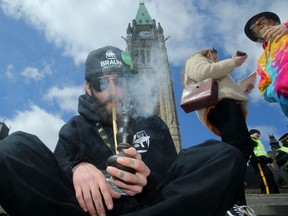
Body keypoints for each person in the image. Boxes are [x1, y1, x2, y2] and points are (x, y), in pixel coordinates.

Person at [0, 45, 247, 216]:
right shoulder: (73, 127)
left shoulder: (152, 123)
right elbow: (57, 167)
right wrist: (78, 167)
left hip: (151, 207)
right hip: (84, 210)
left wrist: (147, 178)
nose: (113, 91)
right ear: (88, 87)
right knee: (14, 147)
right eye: (101, 83)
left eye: (119, 80)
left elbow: (172, 178)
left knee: (223, 154)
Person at [183, 48, 257, 216]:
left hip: (224, 104)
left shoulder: (213, 69)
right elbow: (203, 73)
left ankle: (236, 204)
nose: (216, 59)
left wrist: (241, 89)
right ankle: (228, 199)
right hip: (221, 106)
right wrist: (233, 62)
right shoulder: (195, 58)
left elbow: (222, 88)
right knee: (242, 147)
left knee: (234, 151)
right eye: (214, 56)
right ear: (208, 53)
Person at [244, 11, 288, 117]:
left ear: (271, 21)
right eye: (253, 25)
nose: (258, 24)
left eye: (261, 19)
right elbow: (264, 88)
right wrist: (278, 89)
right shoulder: (262, 61)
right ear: (255, 34)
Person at [249, 129, 279, 194]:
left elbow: (262, 152)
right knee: (264, 176)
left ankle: (274, 192)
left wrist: (267, 159)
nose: (259, 135)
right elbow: (249, 150)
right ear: (252, 133)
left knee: (269, 175)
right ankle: (267, 192)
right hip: (258, 161)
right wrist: (254, 158)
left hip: (263, 161)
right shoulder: (250, 140)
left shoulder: (258, 141)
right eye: (257, 133)